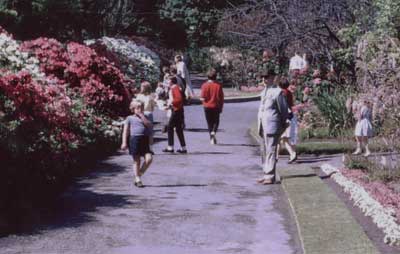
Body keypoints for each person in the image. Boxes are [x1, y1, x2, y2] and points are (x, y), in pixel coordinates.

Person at [257, 70, 290, 184]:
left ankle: (269, 176)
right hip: (263, 125)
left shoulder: (278, 92)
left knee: (271, 150)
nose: (264, 79)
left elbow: (284, 110)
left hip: (272, 125)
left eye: (267, 77)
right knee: (264, 150)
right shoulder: (264, 91)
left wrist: (281, 123)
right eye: (263, 77)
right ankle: (267, 173)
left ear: (273, 78)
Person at [121, 100, 153, 188]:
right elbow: (125, 131)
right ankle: (138, 178)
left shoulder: (146, 117)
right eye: (138, 108)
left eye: (142, 108)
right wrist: (124, 142)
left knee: (149, 159)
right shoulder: (129, 118)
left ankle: (139, 173)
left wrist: (143, 117)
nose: (140, 110)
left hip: (144, 140)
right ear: (133, 109)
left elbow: (149, 126)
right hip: (134, 140)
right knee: (137, 160)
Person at [162, 76, 187, 154]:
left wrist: (170, 105)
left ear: (171, 82)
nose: (167, 83)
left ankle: (170, 147)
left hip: (176, 110)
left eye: (168, 81)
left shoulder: (174, 88)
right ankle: (183, 148)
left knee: (169, 127)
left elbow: (178, 99)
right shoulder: (176, 87)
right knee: (178, 129)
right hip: (179, 110)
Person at [200, 68, 224, 145]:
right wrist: (221, 107)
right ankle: (214, 131)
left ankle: (211, 137)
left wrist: (204, 102)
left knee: (209, 122)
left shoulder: (204, 85)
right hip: (216, 106)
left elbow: (202, 97)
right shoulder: (218, 85)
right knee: (216, 121)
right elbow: (221, 98)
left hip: (207, 106)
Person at [278, 77, 297, 163]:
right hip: (290, 115)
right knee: (282, 139)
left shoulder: (282, 93)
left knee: (283, 138)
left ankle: (292, 154)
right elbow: (291, 104)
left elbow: (282, 105)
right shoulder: (289, 92)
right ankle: (276, 156)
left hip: (285, 116)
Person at [136, 81, 157, 152]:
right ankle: (150, 148)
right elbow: (153, 107)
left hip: (141, 114)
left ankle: (141, 147)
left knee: (141, 131)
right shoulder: (151, 97)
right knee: (150, 132)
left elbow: (136, 106)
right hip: (149, 114)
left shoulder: (139, 96)